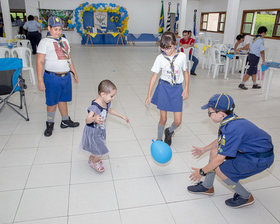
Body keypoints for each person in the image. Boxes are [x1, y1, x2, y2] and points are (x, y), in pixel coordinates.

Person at [187, 93, 274, 208]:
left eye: (210, 112)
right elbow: (222, 139)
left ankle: (245, 196)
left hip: (259, 158)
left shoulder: (232, 128)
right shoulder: (230, 120)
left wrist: (202, 172)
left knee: (220, 170)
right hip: (252, 151)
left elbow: (219, 160)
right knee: (214, 152)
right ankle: (207, 187)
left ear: (221, 114)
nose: (208, 115)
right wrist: (204, 149)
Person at [37, 16, 79, 137]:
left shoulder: (64, 41)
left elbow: (68, 58)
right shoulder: (45, 42)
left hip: (65, 77)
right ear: (49, 28)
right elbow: (39, 62)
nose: (58, 32)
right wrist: (40, 80)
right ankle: (50, 123)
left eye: (60, 29)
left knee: (63, 99)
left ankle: (65, 120)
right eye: (55, 29)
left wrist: (74, 72)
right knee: (52, 102)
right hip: (52, 77)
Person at [145, 31, 189, 146]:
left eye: (169, 48)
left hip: (177, 89)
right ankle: (159, 140)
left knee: (178, 121)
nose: (167, 51)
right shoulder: (160, 58)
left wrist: (186, 88)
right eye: (164, 48)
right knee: (163, 119)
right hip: (164, 88)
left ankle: (169, 131)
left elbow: (186, 72)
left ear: (175, 44)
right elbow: (154, 76)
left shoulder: (182, 56)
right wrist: (148, 95)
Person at [80, 80, 129, 173]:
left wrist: (122, 116)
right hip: (93, 131)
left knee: (97, 148)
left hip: (100, 130)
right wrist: (94, 118)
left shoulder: (106, 102)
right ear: (103, 94)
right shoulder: (95, 106)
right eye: (111, 96)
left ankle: (92, 158)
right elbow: (87, 120)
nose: (113, 98)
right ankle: (94, 162)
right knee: (101, 151)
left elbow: (109, 110)